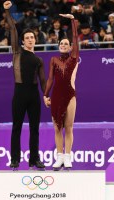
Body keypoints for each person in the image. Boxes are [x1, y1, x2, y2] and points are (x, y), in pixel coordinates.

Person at [3, 1, 46, 170]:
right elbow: (13, 28)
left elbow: (43, 80)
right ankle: (15, 159)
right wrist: (7, 11)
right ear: (22, 41)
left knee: (35, 129)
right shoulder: (17, 52)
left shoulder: (39, 60)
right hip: (20, 93)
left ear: (35, 40)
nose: (29, 39)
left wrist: (46, 95)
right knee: (17, 128)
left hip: (34, 95)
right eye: (27, 38)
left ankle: (34, 159)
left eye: (32, 37)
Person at [43, 14, 79, 170]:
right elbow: (50, 79)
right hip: (56, 95)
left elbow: (76, 38)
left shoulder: (74, 58)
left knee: (69, 127)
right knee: (57, 128)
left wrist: (72, 20)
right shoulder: (53, 60)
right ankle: (59, 157)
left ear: (70, 47)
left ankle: (68, 156)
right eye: (62, 43)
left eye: (67, 43)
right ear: (59, 46)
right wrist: (45, 95)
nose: (64, 45)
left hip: (70, 95)